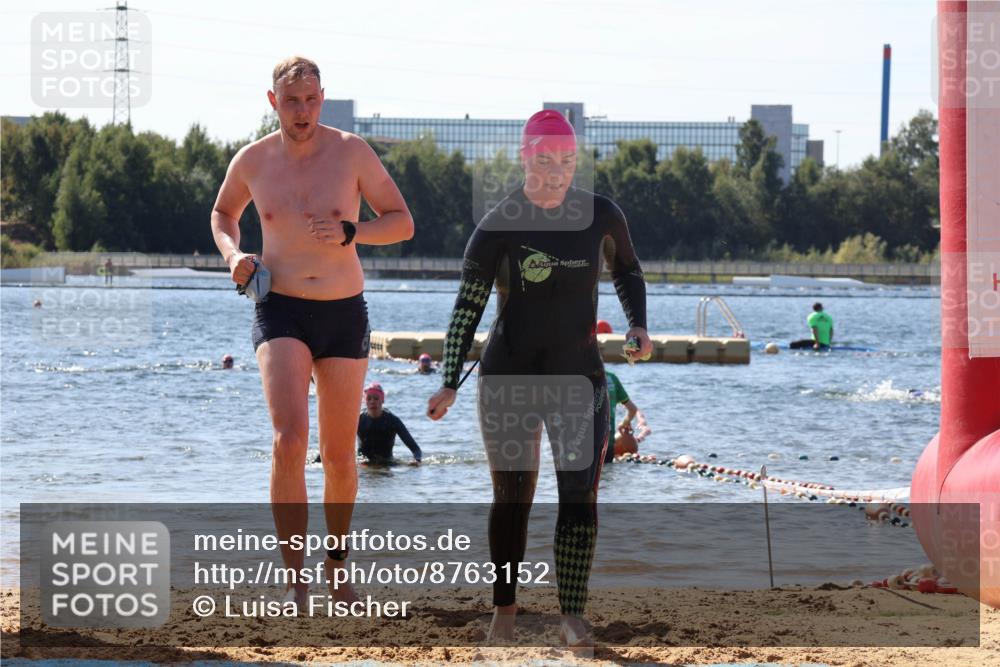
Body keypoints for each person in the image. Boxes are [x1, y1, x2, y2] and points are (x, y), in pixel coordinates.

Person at [426, 109, 651, 646]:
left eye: (567, 161)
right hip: (509, 378)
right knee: (513, 496)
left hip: (581, 378)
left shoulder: (601, 214)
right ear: (526, 158)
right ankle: (504, 613)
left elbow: (628, 270)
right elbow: (467, 308)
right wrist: (450, 381)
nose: (557, 171)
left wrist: (637, 325)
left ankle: (572, 614)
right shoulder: (499, 223)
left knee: (580, 494)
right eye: (546, 159)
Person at [210, 56, 414, 608]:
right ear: (273, 101)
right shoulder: (253, 160)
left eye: (311, 99)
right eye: (291, 101)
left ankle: (337, 565)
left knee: (341, 456)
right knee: (290, 441)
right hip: (280, 309)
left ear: (323, 98)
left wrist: (354, 230)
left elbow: (401, 220)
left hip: (343, 311)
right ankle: (294, 574)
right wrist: (233, 255)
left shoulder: (350, 152)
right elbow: (223, 214)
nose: (302, 111)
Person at [315, 383, 421, 465]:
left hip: (387, 464)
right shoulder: (358, 420)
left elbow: (416, 449)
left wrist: (417, 461)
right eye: (369, 398)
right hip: (363, 464)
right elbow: (335, 443)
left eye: (376, 398)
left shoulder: (392, 420)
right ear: (365, 401)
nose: (372, 402)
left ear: (382, 400)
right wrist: (317, 462)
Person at [604, 370, 639, 462]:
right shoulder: (612, 378)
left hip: (584, 443)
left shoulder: (578, 377)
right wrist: (624, 423)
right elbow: (632, 409)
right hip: (608, 444)